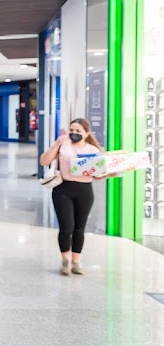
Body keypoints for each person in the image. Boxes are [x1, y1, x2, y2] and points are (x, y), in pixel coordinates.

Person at [40, 118, 105, 275]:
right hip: (63, 189)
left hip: (84, 190)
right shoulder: (63, 146)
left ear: (86, 133)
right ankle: (65, 260)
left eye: (78, 131)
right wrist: (56, 144)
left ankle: (76, 261)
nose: (74, 133)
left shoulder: (92, 151)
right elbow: (44, 161)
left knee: (79, 228)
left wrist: (106, 172)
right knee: (66, 226)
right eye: (72, 130)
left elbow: (98, 175)